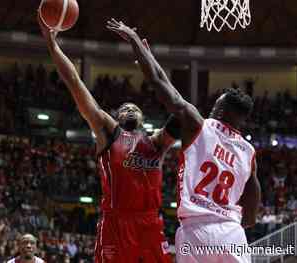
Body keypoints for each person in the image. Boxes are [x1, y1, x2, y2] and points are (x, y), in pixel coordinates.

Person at [107, 18, 261, 263]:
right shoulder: (249, 152)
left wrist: (136, 42)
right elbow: (252, 214)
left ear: (220, 110)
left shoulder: (200, 125)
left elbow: (159, 82)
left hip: (196, 229)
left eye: (215, 105)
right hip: (233, 233)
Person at [38, 13, 175, 263]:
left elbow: (181, 108)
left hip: (151, 222)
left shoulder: (156, 143)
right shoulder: (108, 132)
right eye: (124, 108)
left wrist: (148, 57)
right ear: (117, 117)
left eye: (135, 108)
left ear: (143, 119)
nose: (130, 109)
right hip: (117, 222)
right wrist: (52, 44)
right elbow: (75, 83)